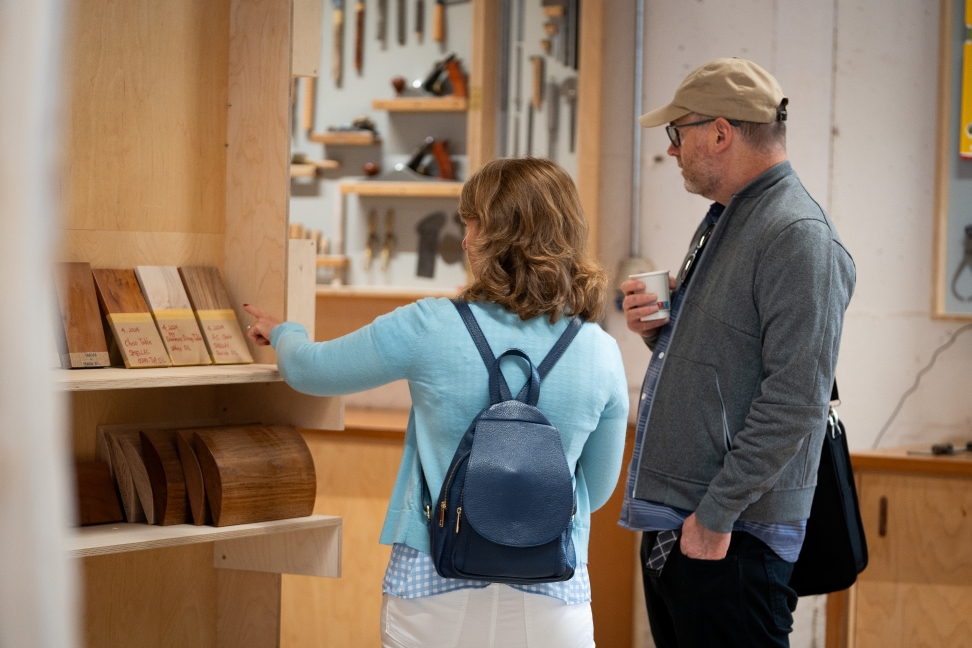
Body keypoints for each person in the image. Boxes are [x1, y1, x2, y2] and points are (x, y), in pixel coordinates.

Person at [246, 157, 629, 648]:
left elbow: (310, 370)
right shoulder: (600, 351)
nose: (465, 240)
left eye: (473, 224)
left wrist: (284, 333)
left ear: (498, 236)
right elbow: (596, 489)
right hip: (553, 598)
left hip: (434, 586)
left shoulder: (430, 325)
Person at [618, 58, 856, 647]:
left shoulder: (797, 236)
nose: (671, 150)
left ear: (721, 133)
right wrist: (660, 330)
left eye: (679, 133)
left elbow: (795, 401)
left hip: (729, 538)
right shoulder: (728, 219)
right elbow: (732, 363)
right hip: (691, 530)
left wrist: (716, 514)